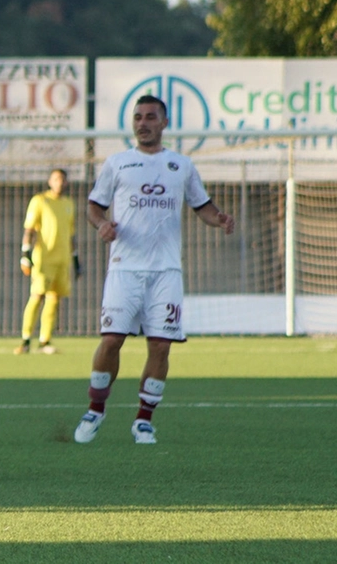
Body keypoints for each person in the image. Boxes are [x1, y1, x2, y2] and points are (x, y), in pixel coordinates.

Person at [74, 94, 235, 445]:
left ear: (164, 123)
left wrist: (218, 219)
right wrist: (101, 224)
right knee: (112, 340)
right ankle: (95, 408)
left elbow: (202, 206)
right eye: (137, 117)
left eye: (150, 117)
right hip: (124, 269)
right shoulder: (118, 163)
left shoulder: (181, 165)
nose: (142, 123)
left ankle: (144, 420)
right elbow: (93, 206)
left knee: (161, 346)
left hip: (166, 272)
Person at [15, 168, 80, 355]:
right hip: (44, 259)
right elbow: (29, 229)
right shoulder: (40, 201)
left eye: (62, 179)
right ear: (50, 181)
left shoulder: (69, 203)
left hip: (63, 259)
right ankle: (26, 339)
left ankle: (45, 341)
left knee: (54, 298)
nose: (59, 182)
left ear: (66, 183)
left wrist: (75, 259)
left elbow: (71, 234)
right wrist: (25, 255)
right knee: (37, 295)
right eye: (56, 179)